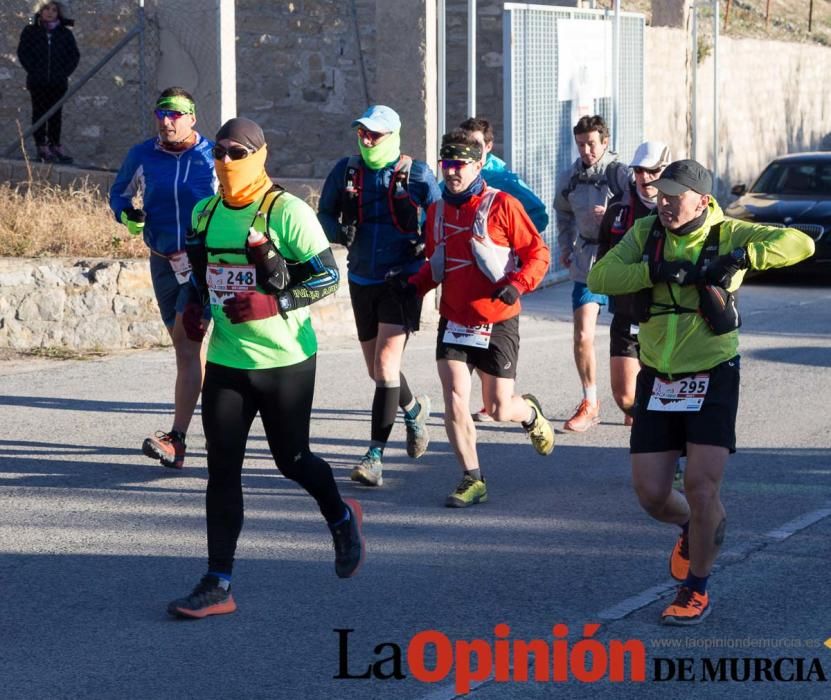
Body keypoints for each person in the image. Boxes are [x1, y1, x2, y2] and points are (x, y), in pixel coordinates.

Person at [587, 159, 814, 625]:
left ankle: (696, 588)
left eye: (675, 195)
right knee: (651, 493)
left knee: (702, 485)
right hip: (657, 376)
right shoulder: (646, 232)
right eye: (661, 194)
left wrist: (740, 258)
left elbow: (801, 242)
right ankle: (690, 525)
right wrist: (657, 271)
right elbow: (600, 277)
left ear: (703, 200)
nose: (665, 202)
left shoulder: (728, 231)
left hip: (712, 373)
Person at [167, 117, 364, 618]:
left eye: (238, 153)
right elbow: (199, 278)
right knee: (222, 470)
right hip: (229, 361)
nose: (226, 162)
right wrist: (195, 306)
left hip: (285, 361)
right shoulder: (205, 213)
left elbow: (326, 279)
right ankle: (218, 582)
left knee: (291, 460)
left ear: (259, 155)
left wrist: (271, 305)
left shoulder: (286, 210)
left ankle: (340, 516)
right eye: (220, 153)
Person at [400, 129, 554, 508]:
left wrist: (518, 285)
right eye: (447, 163)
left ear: (478, 164)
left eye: (460, 164)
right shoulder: (436, 211)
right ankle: (472, 478)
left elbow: (539, 254)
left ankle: (529, 411)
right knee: (454, 397)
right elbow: (436, 265)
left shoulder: (502, 205)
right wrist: (411, 287)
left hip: (497, 318)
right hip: (454, 319)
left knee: (499, 408)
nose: (452, 172)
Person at [317, 105, 441, 487]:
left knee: (386, 365)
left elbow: (439, 221)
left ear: (393, 135)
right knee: (376, 370)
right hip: (362, 278)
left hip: (402, 279)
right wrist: (339, 233)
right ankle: (415, 409)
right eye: (363, 133)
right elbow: (322, 215)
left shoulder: (416, 174)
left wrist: (429, 253)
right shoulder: (346, 171)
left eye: (375, 134)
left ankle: (374, 457)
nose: (367, 139)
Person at [110, 87, 216, 469]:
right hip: (162, 261)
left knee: (188, 345)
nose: (166, 121)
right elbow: (119, 195)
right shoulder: (142, 155)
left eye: (174, 114)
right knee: (184, 346)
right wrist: (127, 215)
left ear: (192, 117)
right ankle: (199, 423)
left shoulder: (212, 157)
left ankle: (179, 438)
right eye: (161, 114)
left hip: (202, 265)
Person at [458, 116, 550, 423]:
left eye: (475, 145)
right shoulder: (456, 172)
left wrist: (511, 249)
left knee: (488, 354)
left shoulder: (504, 179)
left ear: (488, 147)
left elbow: (538, 213)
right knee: (459, 373)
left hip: (498, 282)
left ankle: (508, 404)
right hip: (463, 285)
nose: (468, 151)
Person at [554, 114, 631, 432]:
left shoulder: (620, 174)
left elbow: (643, 207)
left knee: (636, 338)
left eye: (591, 144)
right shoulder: (571, 176)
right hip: (588, 261)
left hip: (623, 261)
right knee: (583, 335)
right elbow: (562, 211)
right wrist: (566, 248)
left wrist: (614, 215)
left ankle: (635, 401)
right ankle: (590, 401)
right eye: (581, 145)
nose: (586, 151)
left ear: (605, 142)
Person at [596, 141, 671, 425]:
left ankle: (660, 452)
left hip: (666, 317)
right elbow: (604, 251)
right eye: (639, 171)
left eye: (653, 171)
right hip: (628, 314)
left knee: (663, 396)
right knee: (626, 397)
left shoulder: (678, 210)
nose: (645, 178)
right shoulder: (618, 209)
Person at [17, 1, 80, 164]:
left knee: (55, 114)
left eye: (54, 10)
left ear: (59, 13)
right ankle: (41, 147)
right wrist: (34, 70)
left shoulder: (64, 33)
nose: (50, 13)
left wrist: (63, 73)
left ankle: (54, 146)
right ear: (40, 10)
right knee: (39, 113)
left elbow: (74, 55)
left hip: (58, 82)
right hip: (38, 82)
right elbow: (23, 53)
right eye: (46, 9)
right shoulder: (31, 31)